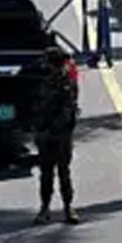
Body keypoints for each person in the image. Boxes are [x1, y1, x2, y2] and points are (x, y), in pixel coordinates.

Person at [34, 43, 82, 225]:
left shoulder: (67, 83)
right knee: (46, 174)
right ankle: (45, 208)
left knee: (63, 172)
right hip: (45, 133)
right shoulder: (41, 81)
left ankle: (68, 207)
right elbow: (35, 105)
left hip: (61, 134)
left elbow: (68, 108)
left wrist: (55, 128)